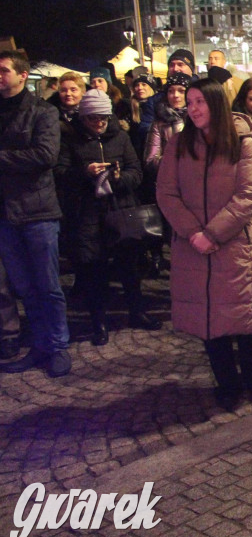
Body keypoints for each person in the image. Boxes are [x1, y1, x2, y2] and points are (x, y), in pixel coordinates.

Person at [156, 78, 252, 411]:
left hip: (233, 245)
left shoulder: (242, 142)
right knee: (209, 320)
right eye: (188, 102)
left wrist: (214, 233)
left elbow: (248, 194)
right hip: (193, 247)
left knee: (244, 315)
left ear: (216, 103)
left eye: (199, 102)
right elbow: (166, 192)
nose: (192, 109)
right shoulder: (178, 144)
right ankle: (227, 382)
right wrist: (194, 233)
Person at [56, 89, 155, 346]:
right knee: (93, 268)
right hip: (87, 212)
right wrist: (85, 173)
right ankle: (98, 322)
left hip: (121, 207)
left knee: (129, 265)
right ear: (83, 117)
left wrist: (121, 179)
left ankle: (137, 312)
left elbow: (137, 172)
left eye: (103, 118)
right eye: (92, 118)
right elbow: (61, 172)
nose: (98, 123)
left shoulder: (120, 137)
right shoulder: (70, 139)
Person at [0, 51, 71, 378]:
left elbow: (45, 155)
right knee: (25, 287)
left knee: (48, 285)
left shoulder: (42, 111)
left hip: (37, 211)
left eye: (3, 71)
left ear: (22, 74)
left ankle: (57, 346)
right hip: (5, 214)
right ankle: (40, 344)